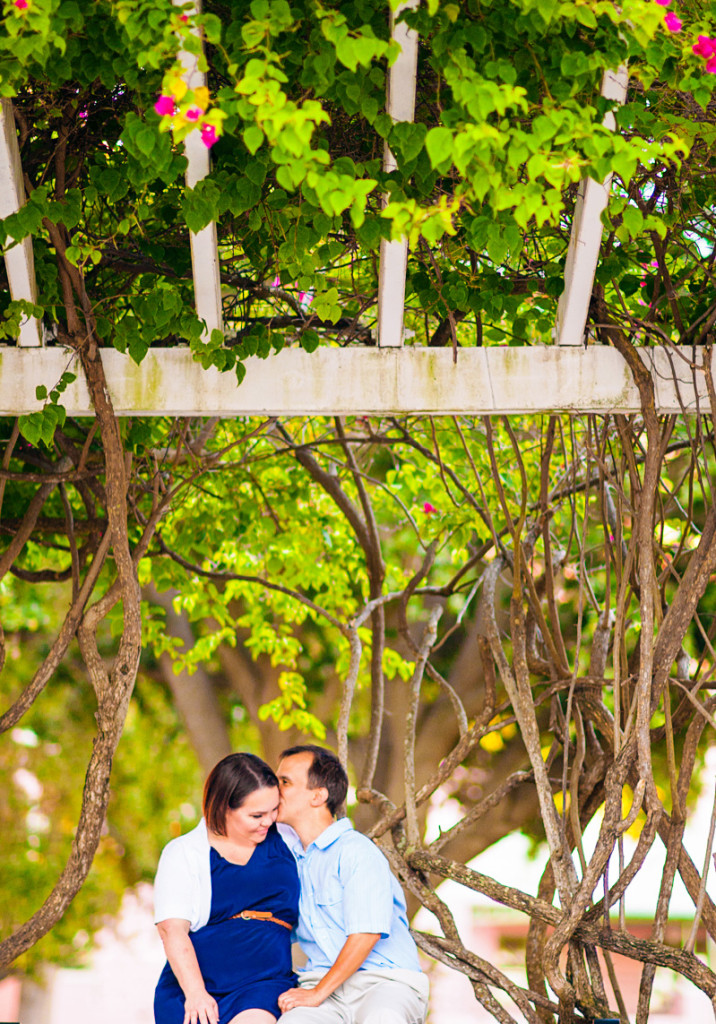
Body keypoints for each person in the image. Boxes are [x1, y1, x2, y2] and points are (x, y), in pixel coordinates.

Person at [275, 744, 429, 1024]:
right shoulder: (290, 861)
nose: (274, 789)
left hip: (383, 982)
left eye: (284, 782)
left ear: (318, 795)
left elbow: (366, 934)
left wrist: (316, 993)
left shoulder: (356, 851)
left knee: (383, 1019)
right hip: (321, 985)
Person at [153, 752, 300, 1024]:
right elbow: (171, 930)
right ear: (223, 808)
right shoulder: (183, 853)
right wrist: (196, 993)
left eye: (273, 810)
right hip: (196, 987)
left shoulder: (289, 840)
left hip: (264, 981)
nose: (268, 821)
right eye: (256, 815)